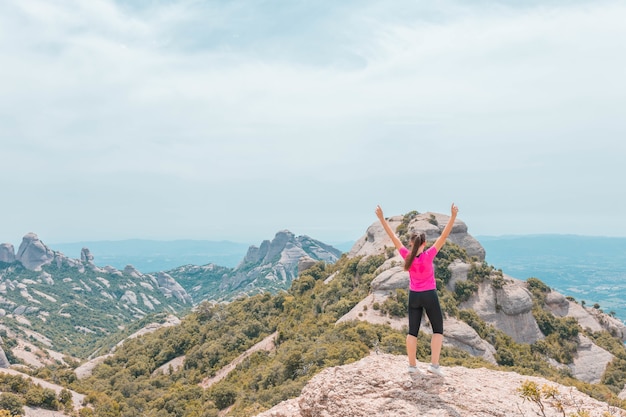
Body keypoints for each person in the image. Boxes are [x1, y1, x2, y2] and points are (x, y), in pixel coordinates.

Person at [375, 203, 459, 377]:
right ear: (424, 244)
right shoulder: (429, 255)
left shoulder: (406, 255)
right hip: (429, 295)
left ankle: (412, 366)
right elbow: (444, 236)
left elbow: (393, 237)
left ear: (411, 243)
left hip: (414, 296)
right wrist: (452, 217)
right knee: (437, 330)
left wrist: (382, 219)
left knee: (412, 331)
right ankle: (434, 366)